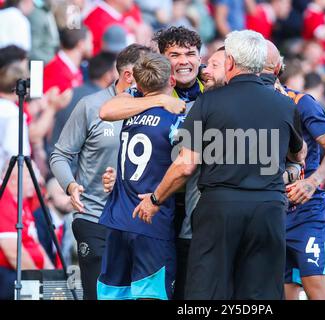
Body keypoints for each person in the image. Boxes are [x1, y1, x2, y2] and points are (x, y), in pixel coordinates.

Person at [133, 30, 304, 300]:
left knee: (208, 294)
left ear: (231, 63)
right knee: (261, 296)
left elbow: (186, 164)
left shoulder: (208, 101)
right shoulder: (285, 104)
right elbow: (298, 154)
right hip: (268, 210)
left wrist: (155, 199)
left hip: (220, 208)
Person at [49, 44, 184, 300]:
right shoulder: (93, 106)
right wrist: (70, 185)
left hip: (136, 217)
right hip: (95, 214)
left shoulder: (163, 108)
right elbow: (60, 154)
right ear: (129, 76)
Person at [99, 26, 203, 300]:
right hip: (153, 211)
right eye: (175, 54)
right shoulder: (148, 93)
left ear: (200, 58)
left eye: (190, 54)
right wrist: (160, 99)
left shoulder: (212, 86)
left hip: (190, 215)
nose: (183, 61)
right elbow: (107, 110)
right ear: (163, 62)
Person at [260, 40, 325, 300]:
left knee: (317, 291)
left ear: (277, 70)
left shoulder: (301, 101)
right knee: (284, 295)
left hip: (305, 210)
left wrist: (312, 181)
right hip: (270, 211)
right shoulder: (247, 106)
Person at [0, 164, 54, 300]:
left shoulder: (22, 201)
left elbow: (36, 244)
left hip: (27, 274)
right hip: (10, 275)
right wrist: (40, 282)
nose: (37, 182)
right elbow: (13, 253)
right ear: (13, 179)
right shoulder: (3, 199)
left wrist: (53, 276)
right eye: (30, 177)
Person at [49, 51, 119, 155]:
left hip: (58, 161)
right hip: (79, 167)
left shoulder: (70, 93)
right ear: (108, 76)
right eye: (118, 71)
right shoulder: (103, 103)